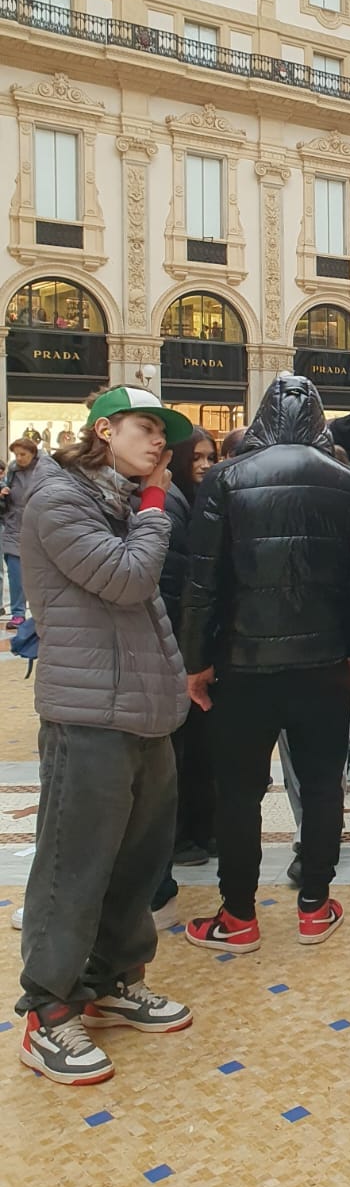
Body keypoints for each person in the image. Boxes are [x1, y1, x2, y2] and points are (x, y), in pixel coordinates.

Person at [16, 385, 195, 1086]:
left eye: (163, 432)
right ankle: (48, 1011)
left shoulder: (114, 501)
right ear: (104, 430)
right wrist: (154, 504)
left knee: (135, 862)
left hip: (142, 711)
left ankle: (114, 980)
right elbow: (128, 578)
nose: (160, 443)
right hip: (88, 715)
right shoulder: (58, 499)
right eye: (146, 428)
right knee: (74, 866)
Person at [180, 376, 350, 954]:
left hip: (242, 663)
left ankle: (238, 915)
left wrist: (196, 662)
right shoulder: (349, 482)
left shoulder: (224, 479)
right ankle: (315, 906)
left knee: (239, 791)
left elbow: (201, 582)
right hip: (325, 664)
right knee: (321, 785)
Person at [155, 428, 218, 905]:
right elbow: (175, 582)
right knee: (180, 752)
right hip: (177, 646)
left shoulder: (187, 499)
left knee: (195, 748)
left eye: (209, 457)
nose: (204, 465)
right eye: (196, 457)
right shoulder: (173, 504)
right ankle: (182, 838)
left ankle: (197, 832)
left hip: (185, 645)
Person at [2, 437, 55, 627]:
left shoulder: (47, 469)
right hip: (13, 527)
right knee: (15, 575)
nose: (19, 458)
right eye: (16, 454)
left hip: (39, 528)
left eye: (22, 454)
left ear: (33, 453)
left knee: (41, 576)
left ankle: (43, 614)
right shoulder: (13, 471)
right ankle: (18, 613)